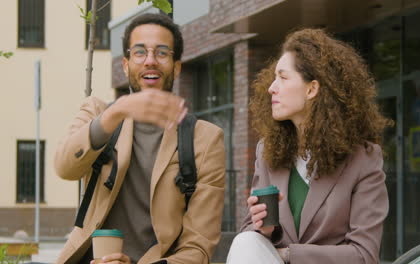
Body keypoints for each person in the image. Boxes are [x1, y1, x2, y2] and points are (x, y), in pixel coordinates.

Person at [54, 13, 225, 264]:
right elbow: (65, 166)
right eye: (140, 52)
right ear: (125, 64)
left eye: (162, 53)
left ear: (176, 67)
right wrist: (116, 113)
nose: (150, 61)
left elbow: (197, 248)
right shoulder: (98, 113)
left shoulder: (206, 139)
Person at [226, 28, 390, 264]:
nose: (271, 87)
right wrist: (264, 230)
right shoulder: (267, 151)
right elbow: (250, 241)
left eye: (282, 78)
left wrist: (290, 254)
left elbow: (364, 255)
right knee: (246, 241)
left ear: (312, 89)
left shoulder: (363, 160)